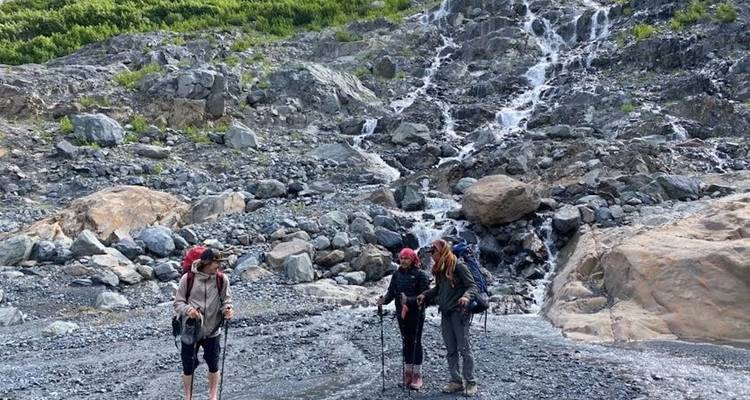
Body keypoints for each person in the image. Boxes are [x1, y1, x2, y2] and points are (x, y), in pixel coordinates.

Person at [417, 239, 479, 397]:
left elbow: (473, 286)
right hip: (445, 313)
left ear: (442, 250)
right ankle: (456, 381)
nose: (432, 255)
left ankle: (470, 382)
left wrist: (466, 297)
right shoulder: (441, 268)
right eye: (431, 252)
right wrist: (425, 294)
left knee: (464, 349)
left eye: (434, 251)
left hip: (459, 313)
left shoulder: (458, 265)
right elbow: (439, 288)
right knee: (451, 349)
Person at [174, 248, 234, 400]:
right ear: (206, 263)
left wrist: (228, 310)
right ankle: (188, 397)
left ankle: (212, 396)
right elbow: (178, 303)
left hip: (213, 330)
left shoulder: (222, 279)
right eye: (216, 263)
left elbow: (226, 300)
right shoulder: (187, 279)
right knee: (188, 367)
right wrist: (188, 310)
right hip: (190, 330)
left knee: (213, 364)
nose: (219, 267)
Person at [377, 247, 430, 390]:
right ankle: (407, 374)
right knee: (406, 341)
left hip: (416, 313)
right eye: (401, 258)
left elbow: (426, 297)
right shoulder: (396, 275)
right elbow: (391, 292)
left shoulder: (421, 275)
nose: (403, 260)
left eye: (406, 258)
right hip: (401, 313)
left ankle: (417, 376)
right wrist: (384, 301)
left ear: (413, 259)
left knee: (416, 341)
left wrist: (409, 301)